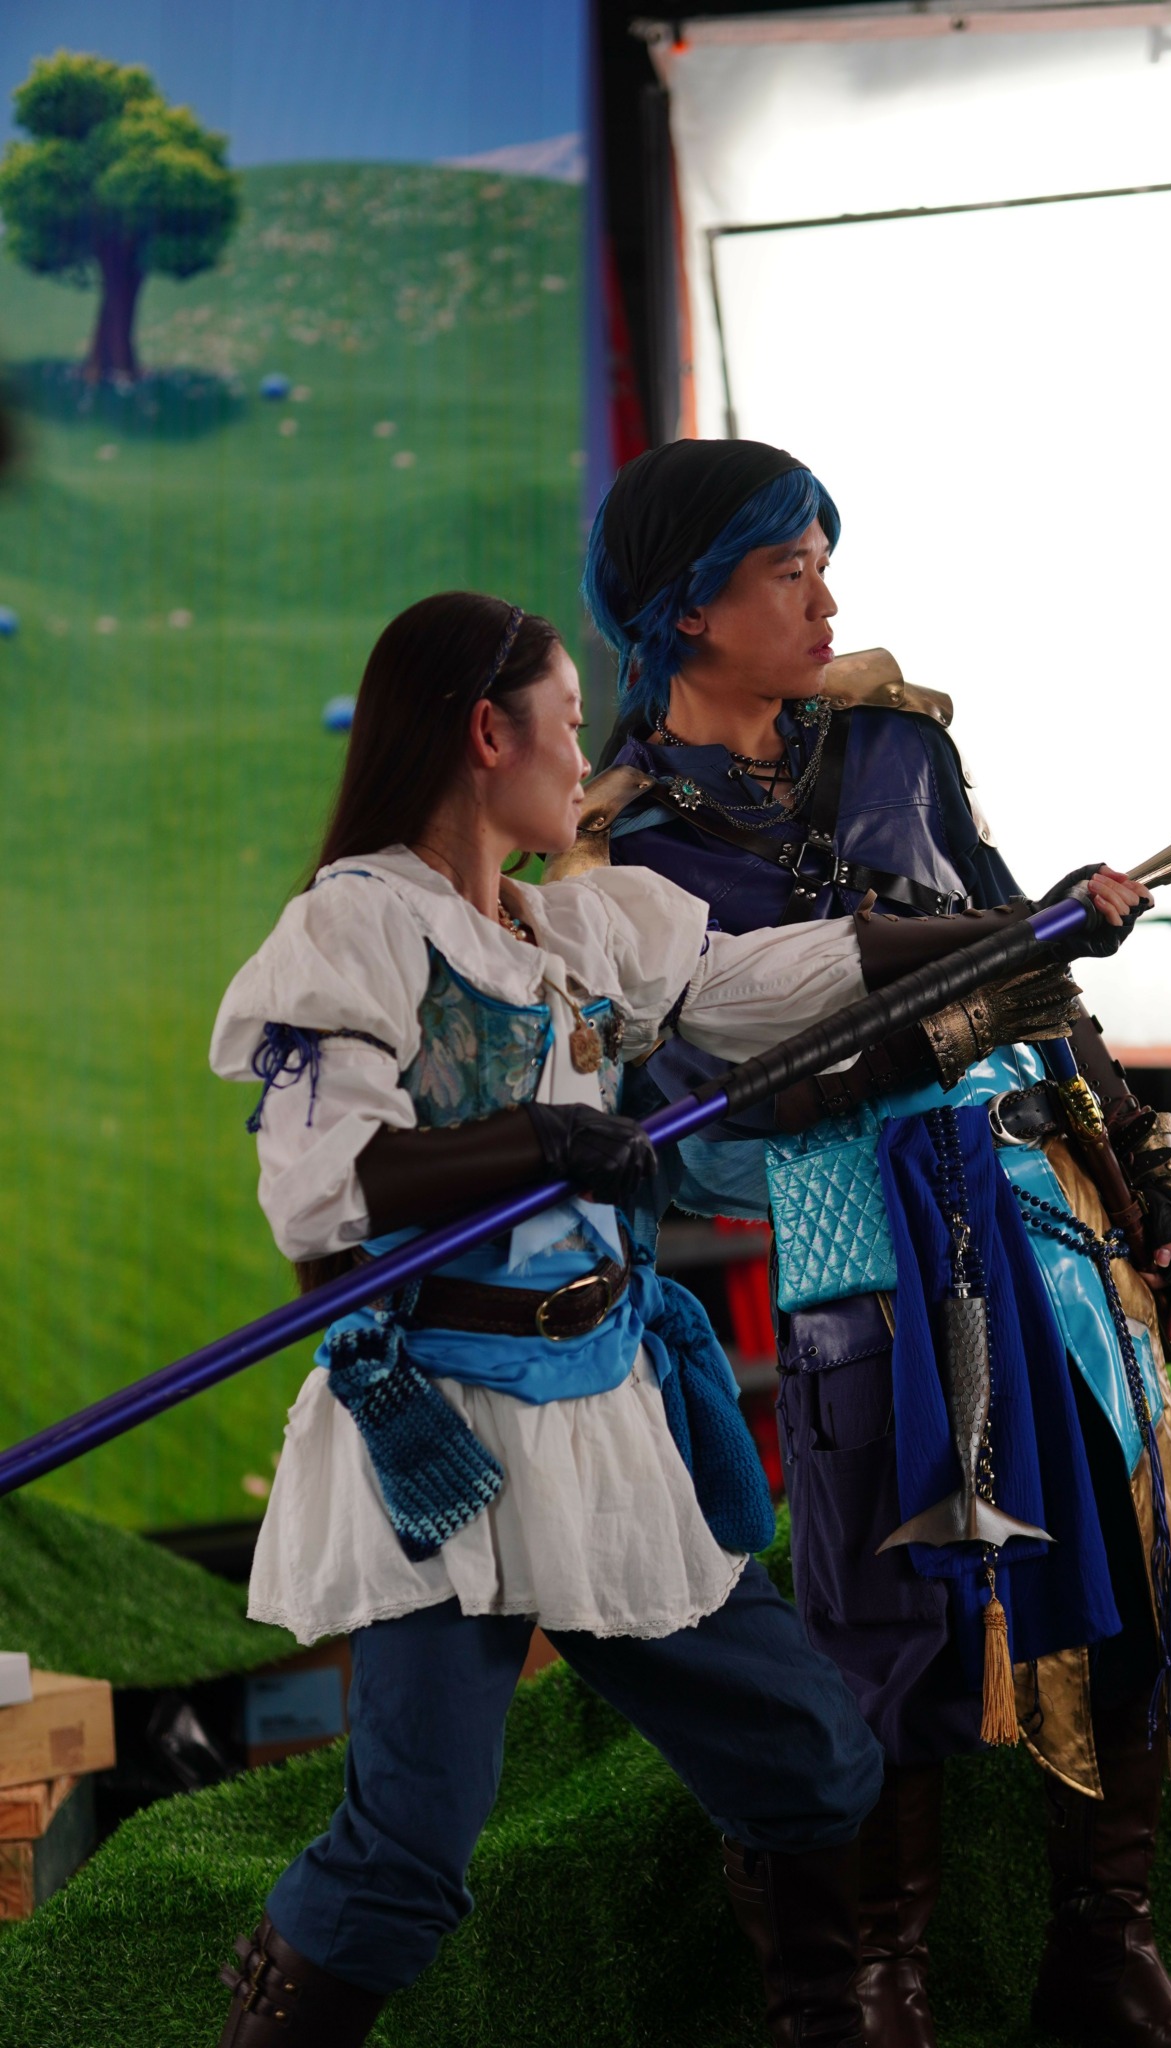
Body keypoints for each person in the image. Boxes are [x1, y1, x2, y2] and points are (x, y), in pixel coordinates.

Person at [571, 439, 1171, 2048]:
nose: (825, 601)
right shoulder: (618, 855)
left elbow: (1030, 956)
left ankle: (1105, 1962)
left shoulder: (894, 742)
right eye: (785, 572)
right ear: (685, 608)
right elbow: (690, 1105)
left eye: (823, 563)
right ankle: (874, 1992)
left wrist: (1138, 1162)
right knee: (895, 1624)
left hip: (1045, 1216)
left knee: (1126, 1572)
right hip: (857, 1244)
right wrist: (921, 1033)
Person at [209, 591, 921, 2047]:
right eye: (569, 723)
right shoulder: (354, 926)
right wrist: (535, 1138)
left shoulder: (575, 929)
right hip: (441, 1442)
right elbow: (319, 1192)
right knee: (408, 1853)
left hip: (607, 1412)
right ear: (490, 732)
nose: (585, 759)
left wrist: (1009, 936)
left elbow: (754, 979)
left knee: (807, 1756)